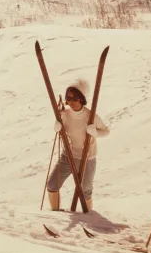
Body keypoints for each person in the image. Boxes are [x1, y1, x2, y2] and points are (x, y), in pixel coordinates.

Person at [46, 80, 110, 211]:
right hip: (69, 156)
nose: (71, 102)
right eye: (68, 98)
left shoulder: (91, 116)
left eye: (75, 98)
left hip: (88, 158)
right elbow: (60, 131)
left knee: (85, 190)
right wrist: (58, 127)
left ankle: (89, 216)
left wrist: (95, 133)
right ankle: (55, 214)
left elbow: (106, 132)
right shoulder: (64, 115)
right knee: (52, 184)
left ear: (81, 99)